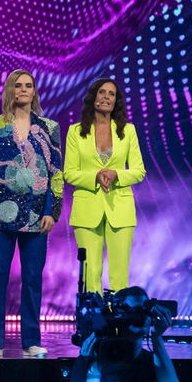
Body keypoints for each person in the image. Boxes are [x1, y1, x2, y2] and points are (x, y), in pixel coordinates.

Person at [0, 69, 63, 359]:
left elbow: (56, 173)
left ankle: (31, 341)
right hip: (0, 214)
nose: (23, 90)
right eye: (18, 86)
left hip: (37, 214)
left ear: (35, 91)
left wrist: (53, 210)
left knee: (32, 279)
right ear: (10, 91)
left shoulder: (50, 127)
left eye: (28, 86)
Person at [63, 77, 146, 295]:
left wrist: (116, 174)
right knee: (91, 275)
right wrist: (95, 176)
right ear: (93, 97)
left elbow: (139, 171)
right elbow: (69, 173)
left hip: (120, 209)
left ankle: (118, 327)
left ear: (116, 101)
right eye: (102, 92)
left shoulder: (128, 131)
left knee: (119, 277)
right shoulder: (76, 131)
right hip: (86, 210)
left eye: (111, 94)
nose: (106, 97)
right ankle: (93, 326)